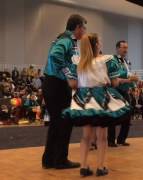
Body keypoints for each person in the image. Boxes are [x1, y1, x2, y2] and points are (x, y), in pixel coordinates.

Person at [62, 33, 131, 177]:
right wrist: (116, 81)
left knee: (86, 136)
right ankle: (100, 167)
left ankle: (84, 166)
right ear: (97, 45)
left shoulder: (77, 61)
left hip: (83, 99)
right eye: (100, 42)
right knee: (102, 136)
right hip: (101, 98)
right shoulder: (107, 60)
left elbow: (73, 84)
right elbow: (114, 82)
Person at [42, 14, 87, 169]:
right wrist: (69, 77)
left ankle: (49, 160)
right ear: (78, 27)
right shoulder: (67, 40)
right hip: (57, 85)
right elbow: (55, 56)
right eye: (84, 27)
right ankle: (60, 160)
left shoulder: (67, 40)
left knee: (56, 123)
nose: (85, 31)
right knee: (64, 122)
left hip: (54, 84)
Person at [107, 40, 139, 147]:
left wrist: (133, 86)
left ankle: (121, 139)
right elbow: (117, 74)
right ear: (117, 48)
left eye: (127, 48)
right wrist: (130, 77)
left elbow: (129, 75)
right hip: (115, 90)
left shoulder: (126, 61)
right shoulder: (113, 60)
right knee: (113, 115)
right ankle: (110, 140)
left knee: (128, 114)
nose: (126, 50)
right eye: (123, 47)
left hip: (125, 90)